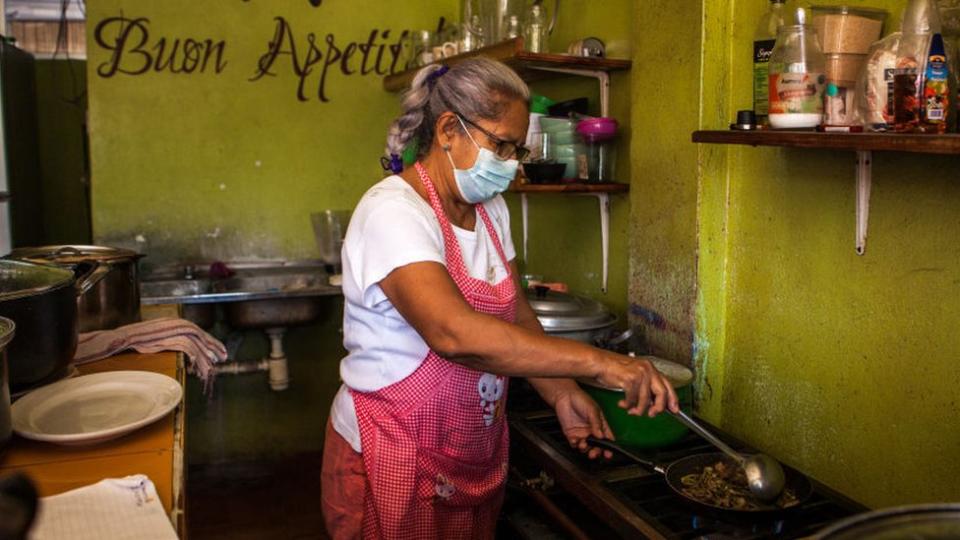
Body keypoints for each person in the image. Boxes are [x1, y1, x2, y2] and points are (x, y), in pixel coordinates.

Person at [321, 57, 679, 540]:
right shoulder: (392, 212)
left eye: (518, 150)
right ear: (449, 129)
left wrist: (563, 392)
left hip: (469, 449)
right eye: (501, 145)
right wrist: (600, 364)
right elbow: (453, 334)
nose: (510, 165)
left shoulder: (490, 211)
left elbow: (517, 314)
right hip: (393, 450)